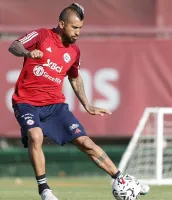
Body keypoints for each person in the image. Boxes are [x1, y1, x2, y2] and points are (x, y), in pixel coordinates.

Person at [8, 3, 149, 200]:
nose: (77, 32)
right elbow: (14, 45)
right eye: (74, 27)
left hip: (56, 106)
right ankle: (45, 190)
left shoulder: (74, 51)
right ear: (62, 23)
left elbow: (74, 77)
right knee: (35, 135)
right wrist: (27, 53)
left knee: (86, 143)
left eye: (80, 28)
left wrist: (87, 105)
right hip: (26, 103)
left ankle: (122, 180)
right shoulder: (41, 35)